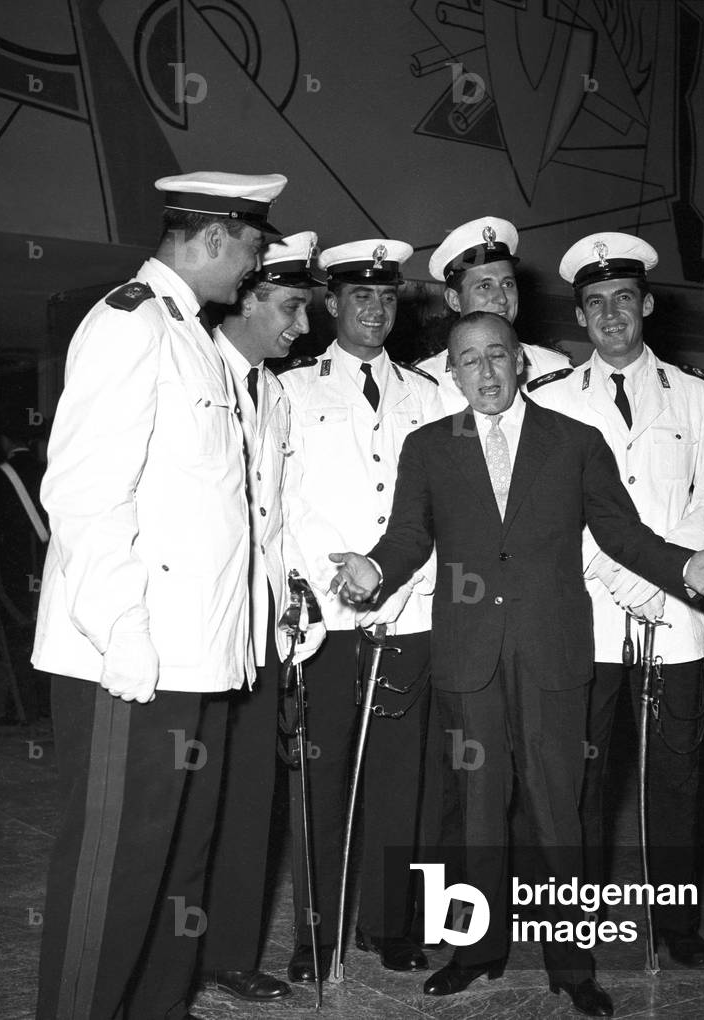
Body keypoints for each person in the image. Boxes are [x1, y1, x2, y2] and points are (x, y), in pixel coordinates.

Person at [329, 311, 704, 1014]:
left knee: (560, 813)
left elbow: (620, 533)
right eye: (468, 360)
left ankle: (572, 966)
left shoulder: (573, 441)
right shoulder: (428, 446)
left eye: (497, 355)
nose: (485, 372)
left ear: (520, 363)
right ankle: (474, 948)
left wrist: (684, 569)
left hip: (554, 655)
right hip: (468, 657)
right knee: (474, 812)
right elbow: (407, 535)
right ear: (453, 372)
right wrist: (373, 568)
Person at [31, 170, 286, 1020]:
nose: (256, 270)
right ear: (212, 238)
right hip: (132, 658)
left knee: (178, 859)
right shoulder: (130, 322)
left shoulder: (199, 340)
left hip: (200, 658)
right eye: (252, 248)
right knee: (114, 870)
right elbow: (81, 490)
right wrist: (120, 626)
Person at [558, 232, 704, 968]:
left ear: (646, 305)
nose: (610, 315)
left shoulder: (697, 395)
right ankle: (574, 921)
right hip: (592, 618)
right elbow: (552, 512)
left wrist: (671, 571)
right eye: (595, 304)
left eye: (623, 300)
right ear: (579, 317)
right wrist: (629, 572)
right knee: (584, 778)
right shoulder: (550, 403)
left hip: (677, 622)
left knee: (673, 774)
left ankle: (673, 924)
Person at [277, 238, 445, 979]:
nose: (374, 310)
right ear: (331, 304)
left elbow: (443, 504)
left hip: (407, 616)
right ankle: (314, 936)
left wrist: (390, 581)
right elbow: (280, 503)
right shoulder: (290, 389)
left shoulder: (429, 394)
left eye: (386, 297)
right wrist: (335, 574)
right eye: (359, 297)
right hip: (325, 622)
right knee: (319, 782)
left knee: (398, 783)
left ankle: (389, 923)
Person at [201, 231, 325, 1002]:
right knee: (186, 804)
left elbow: (275, 520)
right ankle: (166, 956)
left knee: (250, 798)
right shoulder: (189, 368)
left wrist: (291, 606)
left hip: (256, 635)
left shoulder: (272, 391)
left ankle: (228, 951)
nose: (300, 327)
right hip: (189, 633)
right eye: (287, 307)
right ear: (244, 297)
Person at [414, 215, 575, 414]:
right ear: (454, 300)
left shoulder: (555, 370)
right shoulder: (424, 382)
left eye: (507, 284)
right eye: (485, 286)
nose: (501, 298)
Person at [0, 425, 50, 725]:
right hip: (47, 563)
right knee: (43, 634)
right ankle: (45, 704)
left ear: (4, 440)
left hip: (12, 565)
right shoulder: (46, 469)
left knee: (15, 638)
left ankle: (21, 706)